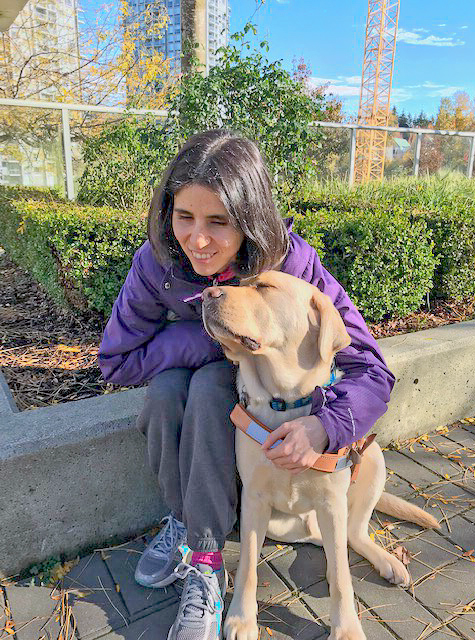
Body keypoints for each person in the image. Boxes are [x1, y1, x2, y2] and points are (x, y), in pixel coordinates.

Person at [97, 129, 395, 640]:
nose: (198, 239)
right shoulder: (157, 263)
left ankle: (208, 557)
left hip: (246, 395)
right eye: (183, 216)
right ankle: (186, 523)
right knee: (169, 390)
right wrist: (208, 337)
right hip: (204, 377)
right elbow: (117, 362)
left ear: (251, 220)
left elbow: (371, 367)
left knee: (214, 385)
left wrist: (326, 427)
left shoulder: (291, 263)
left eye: (219, 221)